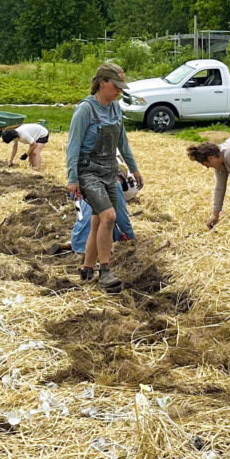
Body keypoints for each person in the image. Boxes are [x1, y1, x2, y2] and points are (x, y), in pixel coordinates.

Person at [65, 63, 142, 293]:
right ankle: (105, 272)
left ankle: (87, 268)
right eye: (115, 86)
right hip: (88, 171)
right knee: (109, 216)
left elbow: (122, 142)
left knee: (98, 220)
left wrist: (133, 168)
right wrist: (72, 178)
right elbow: (73, 146)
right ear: (102, 83)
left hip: (108, 170)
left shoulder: (116, 109)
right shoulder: (85, 110)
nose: (119, 91)